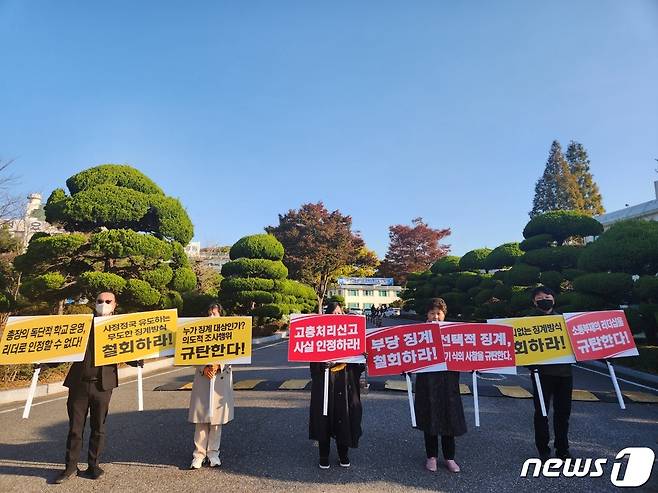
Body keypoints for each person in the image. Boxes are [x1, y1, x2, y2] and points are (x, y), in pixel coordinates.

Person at [49, 291, 143, 484]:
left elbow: (127, 351)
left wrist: (137, 359)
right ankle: (70, 467)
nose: (104, 304)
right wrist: (45, 362)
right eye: (100, 301)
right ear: (94, 303)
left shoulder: (120, 327)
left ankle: (94, 465)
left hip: (103, 385)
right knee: (75, 428)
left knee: (98, 427)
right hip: (78, 384)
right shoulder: (82, 325)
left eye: (108, 301)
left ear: (115, 304)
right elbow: (65, 347)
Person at [309, 302, 365, 469]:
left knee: (345, 419)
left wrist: (361, 358)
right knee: (323, 419)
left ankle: (343, 454)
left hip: (345, 382)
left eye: (340, 312)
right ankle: (323, 455)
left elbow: (358, 367)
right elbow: (312, 362)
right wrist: (321, 365)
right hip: (325, 383)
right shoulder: (319, 335)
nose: (337, 315)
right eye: (333, 312)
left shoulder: (351, 335)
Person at [413, 298, 466, 473]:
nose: (435, 317)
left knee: (449, 418)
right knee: (429, 418)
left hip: (448, 382)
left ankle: (450, 457)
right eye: (432, 313)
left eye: (439, 313)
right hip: (426, 382)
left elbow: (467, 351)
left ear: (444, 315)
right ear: (426, 315)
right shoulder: (417, 333)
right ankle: (432, 456)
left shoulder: (453, 332)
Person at [188, 303, 235, 469]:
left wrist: (219, 365)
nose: (212, 317)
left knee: (216, 420)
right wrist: (204, 367)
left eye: (215, 314)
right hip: (203, 378)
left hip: (220, 379)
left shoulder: (229, 333)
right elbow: (189, 353)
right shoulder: (197, 333)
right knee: (201, 419)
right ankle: (199, 454)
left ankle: (213, 452)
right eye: (209, 314)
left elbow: (237, 353)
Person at [528, 286, 573, 462]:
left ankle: (562, 449)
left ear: (553, 299)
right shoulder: (527, 321)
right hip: (541, 374)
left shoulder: (564, 320)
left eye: (548, 296)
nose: (544, 299)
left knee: (563, 413)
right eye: (540, 298)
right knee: (542, 412)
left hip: (565, 373)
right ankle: (543, 449)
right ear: (534, 301)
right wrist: (529, 365)